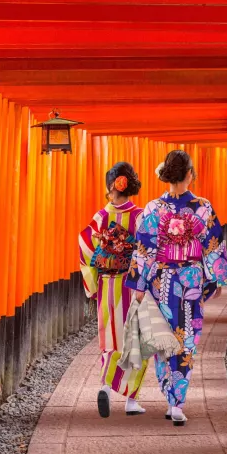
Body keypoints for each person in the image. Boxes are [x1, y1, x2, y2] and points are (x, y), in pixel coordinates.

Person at [125, 150, 227, 426]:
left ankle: (169, 395)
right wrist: (217, 277)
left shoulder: (152, 209)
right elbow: (213, 245)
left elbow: (144, 249)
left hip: (161, 281)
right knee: (186, 340)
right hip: (190, 281)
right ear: (189, 175)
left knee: (165, 339)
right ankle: (177, 402)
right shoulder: (203, 207)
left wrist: (140, 283)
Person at [78, 162, 149, 418]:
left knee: (111, 336)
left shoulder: (101, 217)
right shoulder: (141, 216)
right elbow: (147, 252)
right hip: (134, 285)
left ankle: (106, 386)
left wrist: (93, 284)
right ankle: (131, 400)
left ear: (111, 186)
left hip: (108, 284)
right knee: (138, 339)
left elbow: (86, 247)